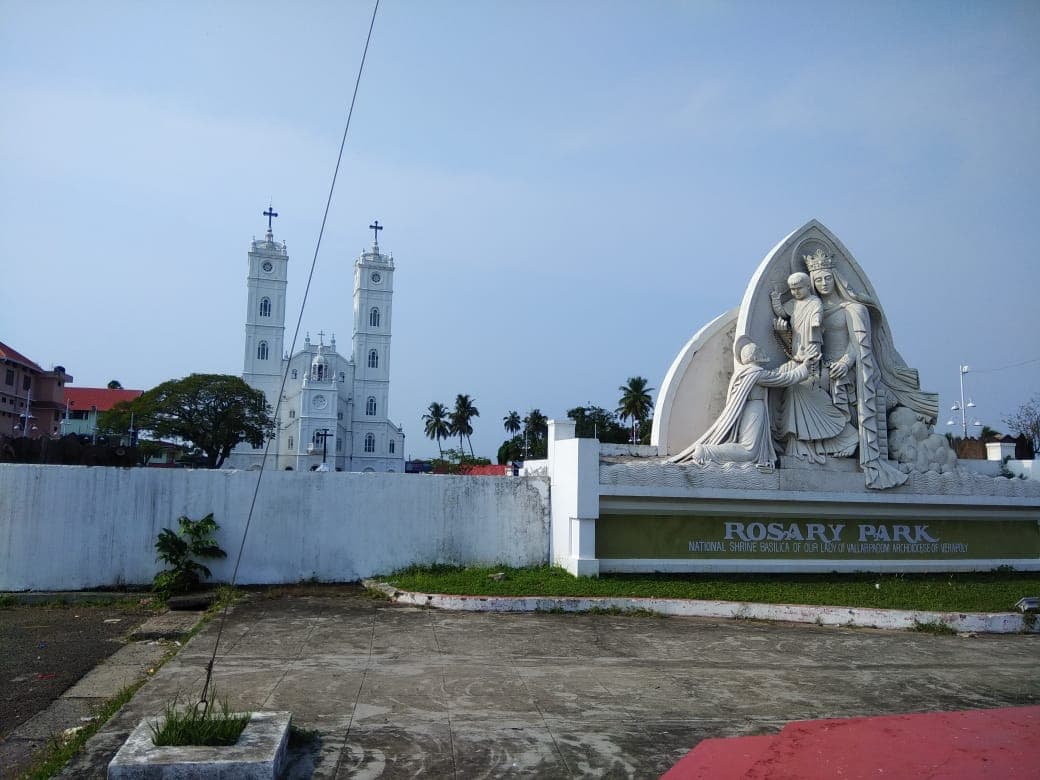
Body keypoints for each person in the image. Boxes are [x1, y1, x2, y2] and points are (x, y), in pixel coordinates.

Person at [804, 250, 907, 489]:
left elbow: (860, 344)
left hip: (850, 368)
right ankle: (825, 444)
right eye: (818, 280)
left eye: (827, 278)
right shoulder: (813, 309)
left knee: (826, 384)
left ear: (835, 278)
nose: (823, 284)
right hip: (823, 366)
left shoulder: (853, 308)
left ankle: (849, 441)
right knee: (803, 386)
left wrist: (845, 362)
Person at [669, 339, 818, 469]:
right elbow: (784, 378)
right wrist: (804, 367)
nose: (763, 352)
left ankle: (708, 452)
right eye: (759, 350)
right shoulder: (756, 373)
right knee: (749, 451)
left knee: (749, 449)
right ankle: (707, 452)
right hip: (754, 410)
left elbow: (778, 374)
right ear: (755, 356)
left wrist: (796, 362)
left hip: (751, 409)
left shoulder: (745, 373)